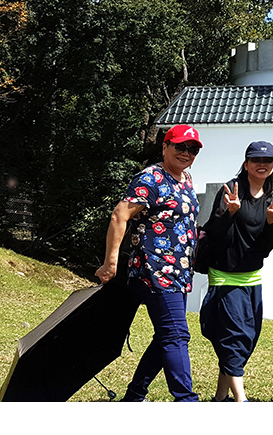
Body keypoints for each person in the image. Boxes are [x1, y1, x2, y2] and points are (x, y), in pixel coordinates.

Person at [96, 124, 203, 402]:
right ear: (165, 146)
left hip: (178, 273)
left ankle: (134, 397)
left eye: (192, 149)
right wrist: (110, 263)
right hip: (154, 270)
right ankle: (187, 401)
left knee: (167, 335)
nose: (186, 153)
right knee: (176, 335)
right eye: (180, 146)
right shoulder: (151, 178)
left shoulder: (185, 179)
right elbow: (120, 216)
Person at [200, 140, 273, 402]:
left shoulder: (272, 197)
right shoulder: (231, 191)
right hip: (225, 274)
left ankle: (219, 397)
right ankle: (241, 400)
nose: (263, 165)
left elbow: (266, 247)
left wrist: (272, 221)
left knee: (246, 337)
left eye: (268, 161)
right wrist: (230, 213)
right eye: (257, 160)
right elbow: (213, 234)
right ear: (246, 164)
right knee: (235, 336)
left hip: (252, 276)